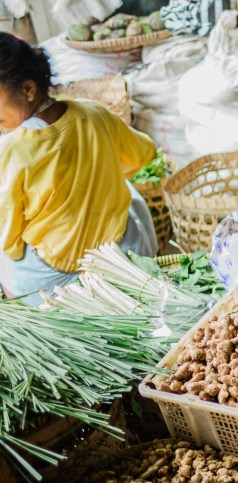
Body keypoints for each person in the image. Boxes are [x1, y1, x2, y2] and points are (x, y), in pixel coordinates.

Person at [0, 32, 158, 303]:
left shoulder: (13, 149)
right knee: (129, 193)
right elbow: (144, 153)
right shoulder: (94, 113)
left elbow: (9, 233)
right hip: (115, 250)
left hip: (55, 271)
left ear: (28, 89)